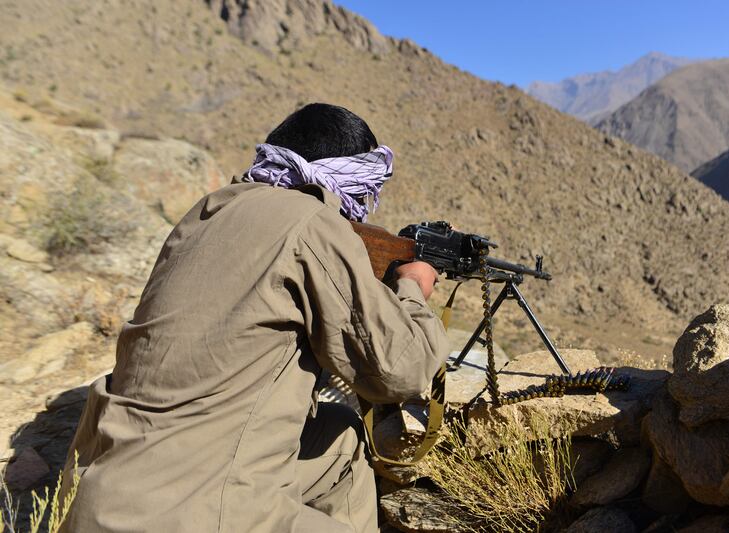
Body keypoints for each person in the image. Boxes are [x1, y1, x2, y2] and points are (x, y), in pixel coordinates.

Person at [60, 103, 450, 532]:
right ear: (344, 181)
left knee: (337, 436)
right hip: (192, 511)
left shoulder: (209, 209)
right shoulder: (313, 225)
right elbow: (402, 372)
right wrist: (413, 288)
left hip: (99, 490)